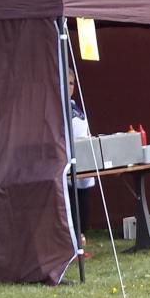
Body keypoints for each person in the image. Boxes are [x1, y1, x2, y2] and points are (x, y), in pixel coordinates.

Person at [67, 68, 94, 252]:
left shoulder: (76, 108)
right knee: (72, 201)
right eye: (67, 83)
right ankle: (75, 238)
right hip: (69, 162)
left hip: (84, 160)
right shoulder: (58, 107)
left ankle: (82, 234)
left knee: (84, 199)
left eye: (72, 83)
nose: (70, 87)